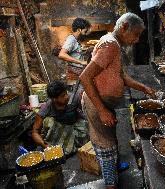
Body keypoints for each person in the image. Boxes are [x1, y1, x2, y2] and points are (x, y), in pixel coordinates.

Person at [80, 13, 155, 189]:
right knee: (106, 147)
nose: (137, 40)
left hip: (104, 103)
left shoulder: (114, 44)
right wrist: (102, 110)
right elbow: (85, 77)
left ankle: (113, 168)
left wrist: (143, 88)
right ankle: (111, 184)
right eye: (135, 34)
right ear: (124, 27)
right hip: (96, 103)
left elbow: (121, 75)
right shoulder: (110, 46)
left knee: (111, 141)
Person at [32, 80, 89, 155]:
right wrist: (45, 145)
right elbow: (35, 132)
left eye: (66, 93)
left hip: (74, 126)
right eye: (63, 96)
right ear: (54, 99)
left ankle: (72, 145)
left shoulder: (74, 98)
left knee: (85, 127)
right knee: (48, 121)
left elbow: (87, 113)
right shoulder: (46, 107)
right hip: (59, 129)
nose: (67, 97)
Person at [58, 18, 91, 88]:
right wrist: (81, 62)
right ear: (79, 30)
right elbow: (62, 54)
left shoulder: (75, 39)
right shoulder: (71, 39)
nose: (85, 34)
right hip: (74, 75)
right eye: (85, 31)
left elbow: (75, 52)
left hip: (78, 73)